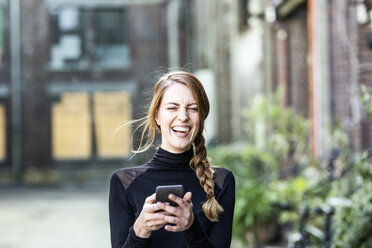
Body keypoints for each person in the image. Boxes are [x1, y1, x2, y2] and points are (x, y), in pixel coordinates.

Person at [109, 70, 235, 248]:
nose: (183, 116)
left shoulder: (222, 181)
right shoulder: (125, 182)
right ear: (157, 116)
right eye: (172, 107)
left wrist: (191, 227)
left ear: (201, 117)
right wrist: (140, 230)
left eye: (193, 108)